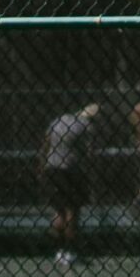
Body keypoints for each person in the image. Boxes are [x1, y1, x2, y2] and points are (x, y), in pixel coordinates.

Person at [39, 102, 104, 268]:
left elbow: (46, 143)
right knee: (72, 211)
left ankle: (58, 250)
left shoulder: (59, 120)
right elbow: (90, 154)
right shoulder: (87, 126)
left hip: (51, 169)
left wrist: (42, 165)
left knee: (58, 210)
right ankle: (70, 250)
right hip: (71, 170)